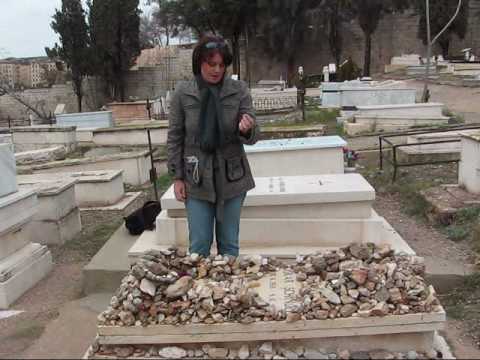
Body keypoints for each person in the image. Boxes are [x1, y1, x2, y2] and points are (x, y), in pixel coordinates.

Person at [167, 35, 259, 258]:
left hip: (232, 177)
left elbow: (255, 133)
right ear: (200, 62)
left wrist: (247, 129)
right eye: (211, 64)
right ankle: (200, 291)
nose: (217, 70)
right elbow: (175, 136)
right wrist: (177, 177)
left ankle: (227, 293)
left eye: (221, 65)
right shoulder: (183, 92)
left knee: (229, 246)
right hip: (196, 178)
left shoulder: (238, 90)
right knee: (199, 246)